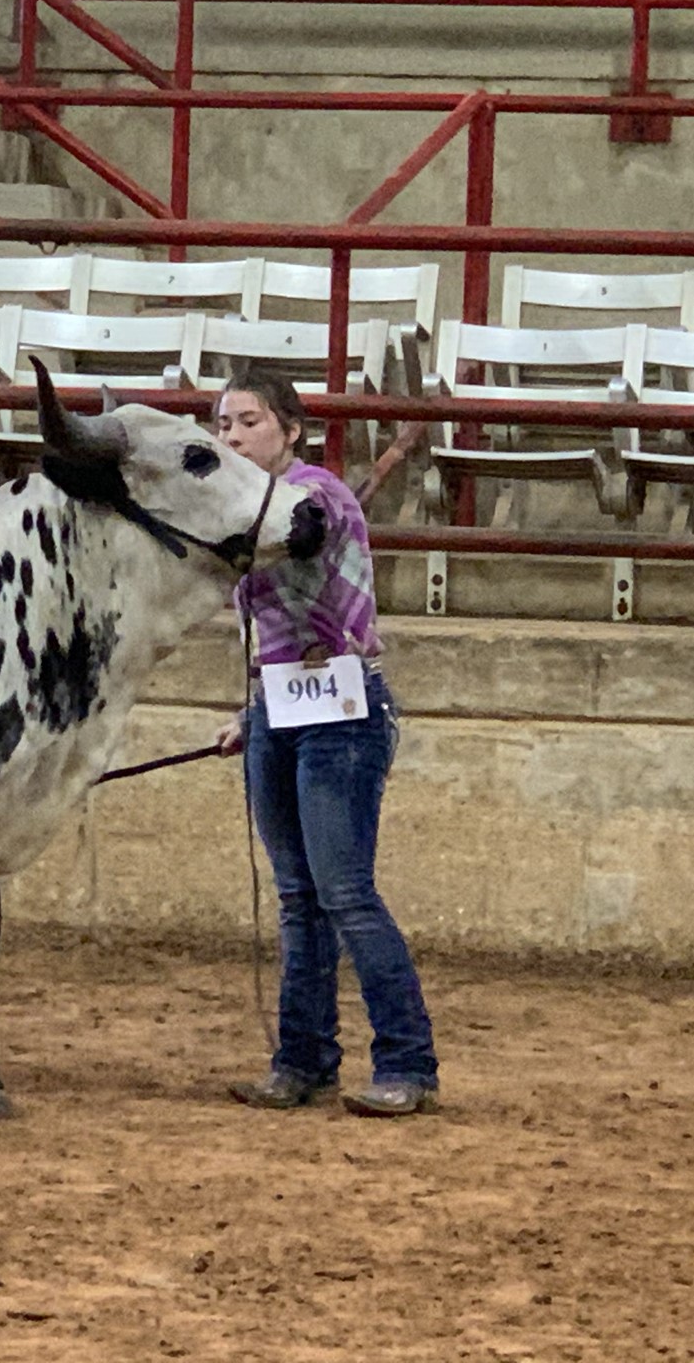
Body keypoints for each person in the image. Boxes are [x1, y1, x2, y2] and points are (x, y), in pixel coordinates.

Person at [214, 367, 439, 1118]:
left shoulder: (315, 497)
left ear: (291, 431)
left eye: (248, 422)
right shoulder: (253, 506)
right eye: (223, 425)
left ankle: (407, 1061)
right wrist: (252, 712)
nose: (232, 436)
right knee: (301, 898)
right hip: (282, 706)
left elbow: (297, 536)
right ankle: (302, 1059)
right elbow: (274, 633)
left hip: (343, 708)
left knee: (343, 894)